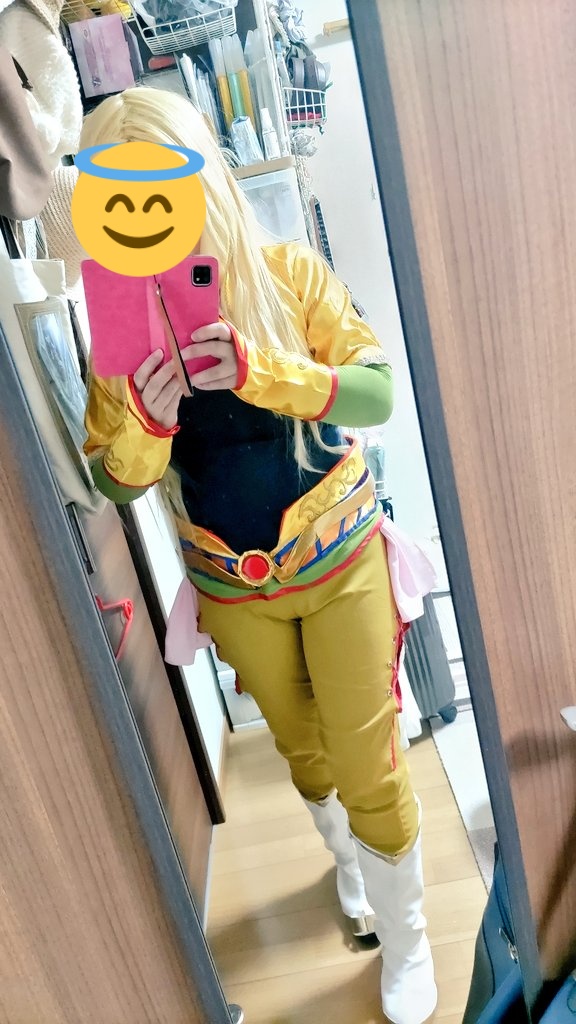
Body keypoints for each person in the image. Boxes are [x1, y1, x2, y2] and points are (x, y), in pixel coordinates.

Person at [81, 86, 437, 1024]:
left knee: (367, 756)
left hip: (343, 560)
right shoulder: (118, 333)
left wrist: (264, 369)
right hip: (232, 586)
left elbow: (375, 394)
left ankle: (408, 940)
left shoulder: (288, 276)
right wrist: (146, 418)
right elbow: (113, 480)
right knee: (302, 748)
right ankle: (349, 867)